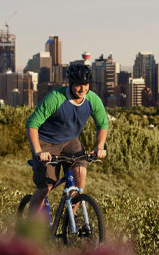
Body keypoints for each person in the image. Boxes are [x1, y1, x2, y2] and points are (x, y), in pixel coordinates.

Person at [25, 62, 108, 215]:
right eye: (78, 85)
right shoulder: (55, 98)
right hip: (46, 141)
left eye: (86, 84)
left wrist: (100, 146)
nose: (83, 89)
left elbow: (102, 124)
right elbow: (32, 124)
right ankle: (30, 226)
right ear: (70, 84)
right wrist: (38, 151)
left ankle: (71, 218)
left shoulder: (93, 100)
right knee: (46, 186)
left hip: (71, 141)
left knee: (80, 175)